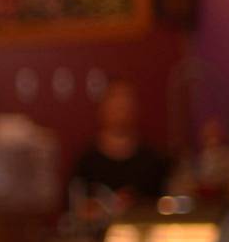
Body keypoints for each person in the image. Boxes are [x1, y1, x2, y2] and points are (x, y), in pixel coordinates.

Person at [70, 79, 170, 209]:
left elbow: (162, 207)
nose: (121, 107)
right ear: (103, 107)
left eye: (126, 101)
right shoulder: (86, 161)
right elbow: (75, 208)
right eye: (115, 100)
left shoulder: (153, 160)